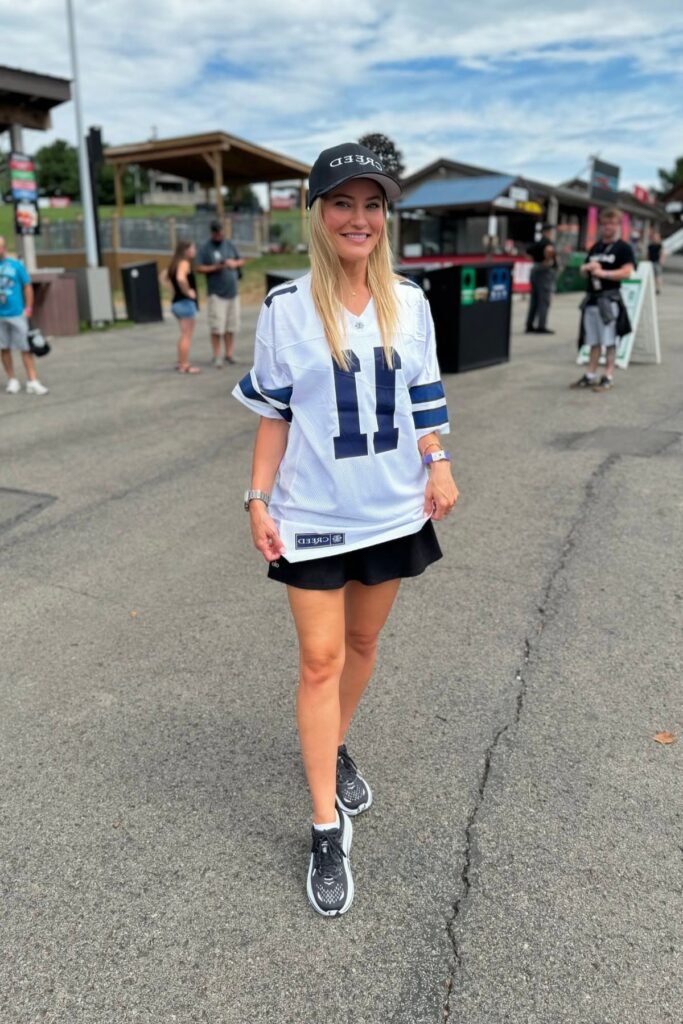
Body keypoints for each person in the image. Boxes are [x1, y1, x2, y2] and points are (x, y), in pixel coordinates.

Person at [232, 142, 459, 917]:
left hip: (393, 509)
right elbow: (272, 416)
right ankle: (325, 824)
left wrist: (438, 461)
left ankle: (331, 747)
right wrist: (257, 500)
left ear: (384, 217)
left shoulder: (411, 301)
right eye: (342, 203)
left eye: (371, 204)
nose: (357, 218)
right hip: (314, 516)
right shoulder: (285, 308)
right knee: (320, 659)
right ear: (318, 213)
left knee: (362, 647)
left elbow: (424, 397)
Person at [571, 208, 635, 392]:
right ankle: (590, 374)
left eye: (612, 223)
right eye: (605, 223)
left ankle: (608, 376)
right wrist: (586, 268)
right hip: (592, 300)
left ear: (617, 225)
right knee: (592, 340)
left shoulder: (623, 248)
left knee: (609, 341)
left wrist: (604, 273)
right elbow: (584, 269)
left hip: (609, 301)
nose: (608, 227)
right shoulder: (596, 247)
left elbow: (628, 271)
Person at [0, 236, 48, 396]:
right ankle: (12, 379)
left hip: (16, 312)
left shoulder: (15, 266)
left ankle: (32, 380)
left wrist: (28, 307)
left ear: (4, 248)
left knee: (25, 347)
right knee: (4, 347)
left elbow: (27, 286)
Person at [196, 220, 244, 367]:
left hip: (232, 292)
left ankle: (229, 354)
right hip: (216, 294)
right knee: (217, 327)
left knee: (231, 326)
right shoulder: (205, 248)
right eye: (217, 233)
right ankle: (217, 356)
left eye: (221, 232)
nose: (219, 235)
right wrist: (215, 267)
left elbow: (240, 260)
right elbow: (199, 267)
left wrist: (234, 264)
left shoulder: (229, 245)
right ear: (212, 233)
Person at [166, 240, 200, 373]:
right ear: (186, 250)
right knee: (187, 335)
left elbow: (164, 277)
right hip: (185, 303)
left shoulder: (174, 264)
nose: (194, 251)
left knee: (183, 334)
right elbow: (181, 278)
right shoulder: (184, 263)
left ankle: (181, 361)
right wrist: (188, 292)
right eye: (193, 248)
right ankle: (185, 365)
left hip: (176, 302)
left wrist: (174, 291)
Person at [525, 224, 557, 334]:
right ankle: (541, 325)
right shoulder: (547, 243)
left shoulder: (537, 243)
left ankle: (529, 324)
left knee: (534, 300)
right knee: (543, 300)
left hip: (535, 270)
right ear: (547, 232)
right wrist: (548, 262)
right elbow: (549, 251)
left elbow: (528, 252)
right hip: (544, 272)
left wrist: (536, 261)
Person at [647, 230, 664, 294]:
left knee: (658, 275)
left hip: (657, 262)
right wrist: (647, 260)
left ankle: (658, 288)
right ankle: (653, 288)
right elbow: (648, 254)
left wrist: (661, 260)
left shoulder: (659, 245)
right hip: (651, 262)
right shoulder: (650, 246)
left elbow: (662, 253)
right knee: (652, 276)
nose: (655, 239)